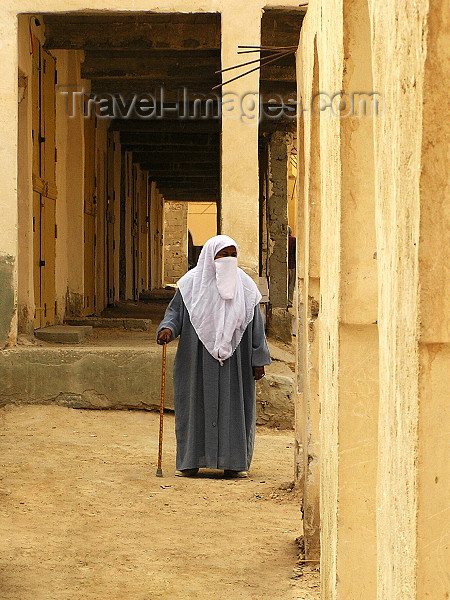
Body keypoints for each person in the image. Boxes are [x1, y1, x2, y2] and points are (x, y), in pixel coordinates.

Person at [156, 235, 271, 479]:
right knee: (193, 405)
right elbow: (175, 313)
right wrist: (167, 329)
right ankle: (190, 461)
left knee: (235, 408)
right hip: (196, 358)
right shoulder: (190, 284)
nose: (228, 260)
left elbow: (256, 326)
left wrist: (258, 358)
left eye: (232, 255)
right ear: (210, 257)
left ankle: (233, 462)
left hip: (237, 361)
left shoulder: (246, 287)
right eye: (222, 255)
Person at [287, 226, 296, 308]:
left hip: (285, 267)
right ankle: (290, 301)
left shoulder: (283, 241)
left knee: (285, 284)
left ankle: (284, 300)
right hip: (292, 265)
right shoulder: (293, 240)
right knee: (291, 285)